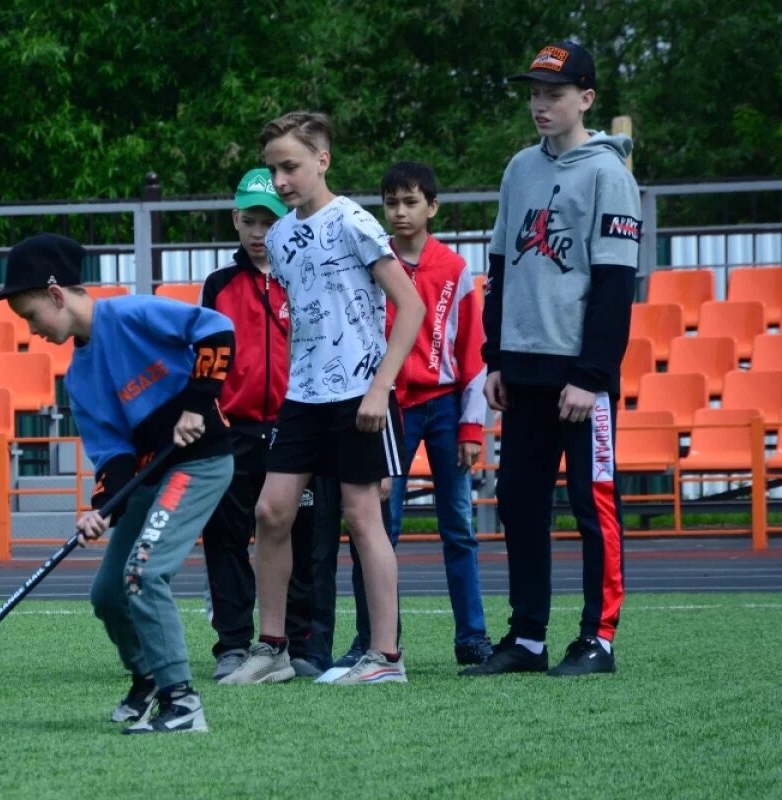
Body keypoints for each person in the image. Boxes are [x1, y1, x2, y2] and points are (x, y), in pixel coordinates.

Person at [0, 233, 234, 734]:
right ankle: (147, 676)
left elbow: (217, 330)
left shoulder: (132, 314)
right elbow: (115, 458)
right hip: (149, 476)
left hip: (200, 462)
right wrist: (101, 507)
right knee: (108, 594)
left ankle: (181, 703)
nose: (32, 330)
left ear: (56, 294)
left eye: (32, 316)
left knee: (143, 573)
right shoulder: (79, 378)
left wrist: (197, 403)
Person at [221, 111, 425, 686]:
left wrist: (381, 387)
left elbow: (410, 307)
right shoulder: (281, 236)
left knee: (363, 518)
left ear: (322, 161)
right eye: (273, 168)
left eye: (290, 166)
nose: (281, 179)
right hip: (303, 399)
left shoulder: (355, 222)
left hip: (361, 394)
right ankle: (274, 649)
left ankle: (386, 658)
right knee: (271, 511)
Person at [464, 41, 638, 678]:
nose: (541, 104)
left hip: (578, 377)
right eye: (535, 93)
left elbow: (617, 286)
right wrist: (495, 358)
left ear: (585, 99)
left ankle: (598, 639)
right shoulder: (519, 169)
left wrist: (590, 377)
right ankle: (528, 637)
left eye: (555, 94)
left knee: (594, 505)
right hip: (524, 370)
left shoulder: (608, 174)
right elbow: (501, 268)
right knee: (517, 502)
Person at [199, 167, 323, 681]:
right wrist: (211, 417)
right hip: (234, 431)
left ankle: (296, 642)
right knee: (225, 537)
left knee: (299, 536)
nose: (257, 232)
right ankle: (232, 642)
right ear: (235, 218)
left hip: (295, 427)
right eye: (249, 220)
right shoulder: (220, 286)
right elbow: (205, 359)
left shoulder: (306, 276)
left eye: (268, 221)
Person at [380, 160, 492, 666]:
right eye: (392, 203)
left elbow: (473, 355)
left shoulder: (455, 268)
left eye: (410, 202)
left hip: (446, 407)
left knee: (459, 528)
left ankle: (472, 637)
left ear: (432, 207)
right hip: (389, 410)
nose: (400, 213)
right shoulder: (372, 263)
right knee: (383, 526)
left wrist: (473, 427)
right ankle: (380, 641)